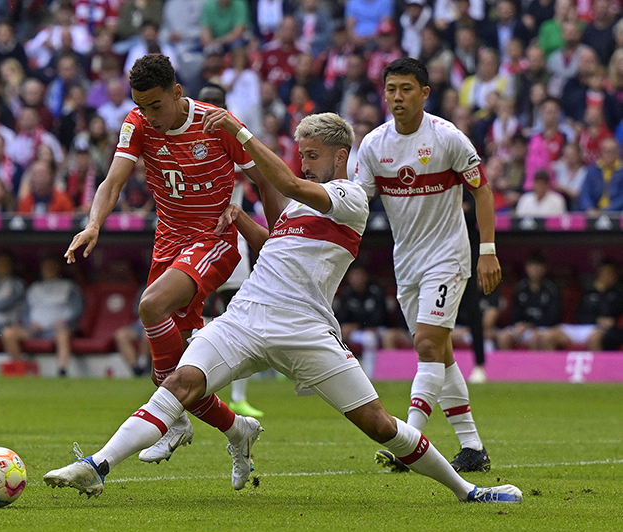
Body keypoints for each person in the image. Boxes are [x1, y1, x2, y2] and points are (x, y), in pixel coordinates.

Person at [44, 111, 522, 505]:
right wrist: (243, 221)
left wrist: (239, 133)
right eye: (301, 155)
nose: (305, 163)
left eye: (312, 155)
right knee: (180, 384)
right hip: (248, 317)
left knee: (377, 424)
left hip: (305, 329)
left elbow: (291, 186)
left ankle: (467, 490)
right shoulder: (297, 208)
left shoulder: (349, 196)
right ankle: (97, 466)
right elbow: (278, 245)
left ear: (340, 156)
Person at [64, 53, 277, 465]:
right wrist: (93, 225)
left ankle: (174, 424)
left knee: (151, 305)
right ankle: (238, 429)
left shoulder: (218, 123)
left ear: (177, 92)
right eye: (140, 105)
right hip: (168, 244)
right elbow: (113, 181)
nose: (148, 114)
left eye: (155, 104)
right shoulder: (137, 122)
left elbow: (265, 181)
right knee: (172, 374)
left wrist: (276, 235)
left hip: (213, 239)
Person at [354, 58, 500, 473]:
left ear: (424, 93)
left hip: (448, 257)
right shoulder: (374, 145)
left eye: (406, 89)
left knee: (426, 346)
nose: (397, 97)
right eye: (391, 89)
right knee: (441, 352)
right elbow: (358, 202)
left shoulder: (447, 138)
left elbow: (482, 192)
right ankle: (472, 448)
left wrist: (486, 249)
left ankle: (409, 440)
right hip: (407, 263)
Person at [197, 83, 263, 418]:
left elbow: (262, 177)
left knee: (239, 313)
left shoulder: (238, 138)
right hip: (196, 240)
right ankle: (201, 385)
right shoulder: (188, 141)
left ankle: (238, 396)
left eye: (218, 105)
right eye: (207, 104)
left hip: (233, 240)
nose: (211, 111)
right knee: (200, 310)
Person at [1, 255, 83, 378]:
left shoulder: (69, 286)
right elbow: (25, 311)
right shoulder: (34, 288)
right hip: (35, 329)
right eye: (46, 267)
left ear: (59, 268)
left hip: (57, 328)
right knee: (8, 333)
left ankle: (62, 370)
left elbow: (78, 308)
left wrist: (66, 321)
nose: (49, 269)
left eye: (52, 266)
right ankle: (22, 367)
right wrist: (29, 323)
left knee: (63, 334)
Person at [495, 252, 560, 350]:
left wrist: (531, 325)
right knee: (503, 337)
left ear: (544, 268)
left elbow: (553, 317)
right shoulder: (520, 288)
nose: (535, 270)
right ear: (526, 267)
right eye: (532, 266)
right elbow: (514, 313)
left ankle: (535, 365)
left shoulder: (551, 289)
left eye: (538, 266)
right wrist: (519, 324)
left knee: (535, 338)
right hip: (522, 328)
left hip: (543, 329)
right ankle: (508, 365)